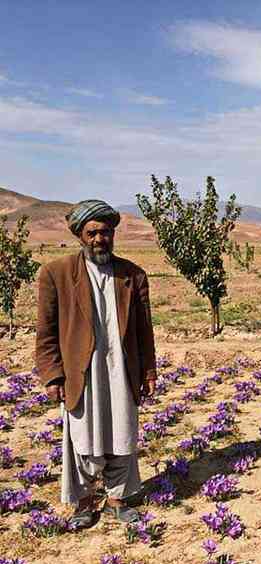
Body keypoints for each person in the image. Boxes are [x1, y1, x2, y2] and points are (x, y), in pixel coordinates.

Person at [35, 200, 157, 529]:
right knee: (82, 436)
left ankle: (118, 497)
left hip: (122, 367)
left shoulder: (132, 275)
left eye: (105, 232)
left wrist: (149, 370)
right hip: (81, 371)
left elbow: (145, 330)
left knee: (123, 431)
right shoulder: (56, 274)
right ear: (80, 235)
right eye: (92, 232)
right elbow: (45, 333)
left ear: (113, 234)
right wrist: (52, 375)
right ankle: (86, 501)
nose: (99, 239)